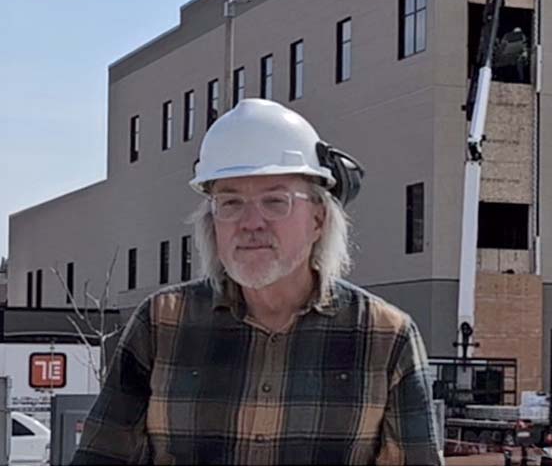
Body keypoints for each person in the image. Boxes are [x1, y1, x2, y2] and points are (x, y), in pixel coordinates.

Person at [72, 98, 443, 465]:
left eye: (275, 202)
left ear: (318, 219)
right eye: (230, 203)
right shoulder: (161, 323)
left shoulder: (385, 336)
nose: (250, 223)